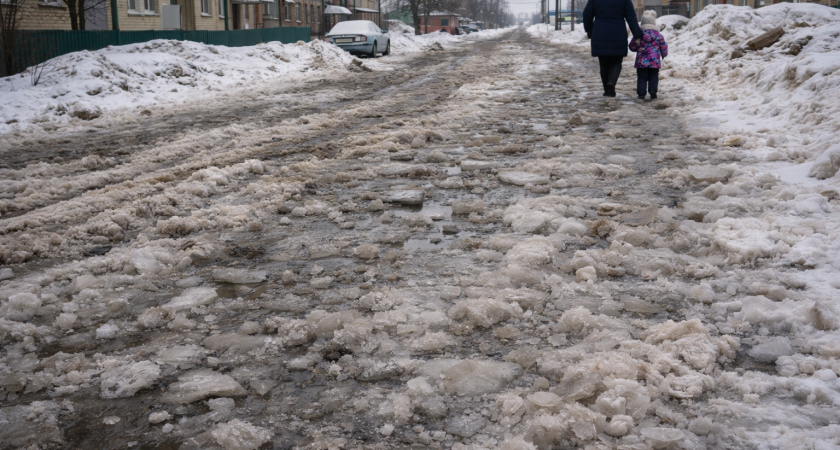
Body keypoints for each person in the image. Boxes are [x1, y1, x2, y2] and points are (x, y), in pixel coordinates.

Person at [583, 0, 643, 97]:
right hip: (618, 33)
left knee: (604, 64)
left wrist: (589, 30)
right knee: (617, 61)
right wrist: (637, 35)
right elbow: (631, 17)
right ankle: (611, 82)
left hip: (600, 33)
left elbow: (587, 14)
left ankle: (607, 91)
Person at [629, 11, 668, 100]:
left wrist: (636, 46)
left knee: (642, 77)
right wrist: (664, 54)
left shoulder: (638, 34)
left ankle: (641, 93)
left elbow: (632, 47)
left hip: (641, 62)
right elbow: (663, 46)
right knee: (654, 76)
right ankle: (653, 91)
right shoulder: (659, 35)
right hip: (654, 61)